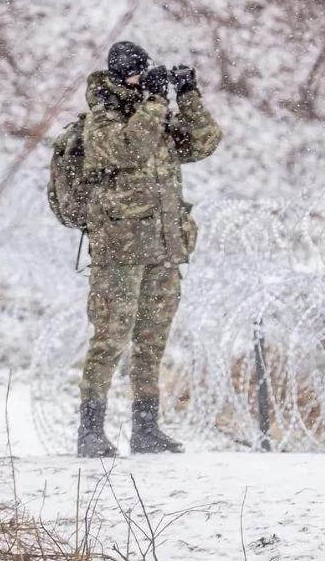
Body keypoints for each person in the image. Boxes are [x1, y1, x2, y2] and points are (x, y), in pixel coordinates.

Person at [76, 41, 223, 457]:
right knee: (110, 338)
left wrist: (188, 96)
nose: (144, 81)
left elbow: (204, 142)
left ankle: (146, 428)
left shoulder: (152, 115)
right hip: (120, 250)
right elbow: (128, 149)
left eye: (147, 73)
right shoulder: (102, 117)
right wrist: (156, 101)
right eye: (137, 75)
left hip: (163, 246)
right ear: (121, 75)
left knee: (152, 340)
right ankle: (90, 431)